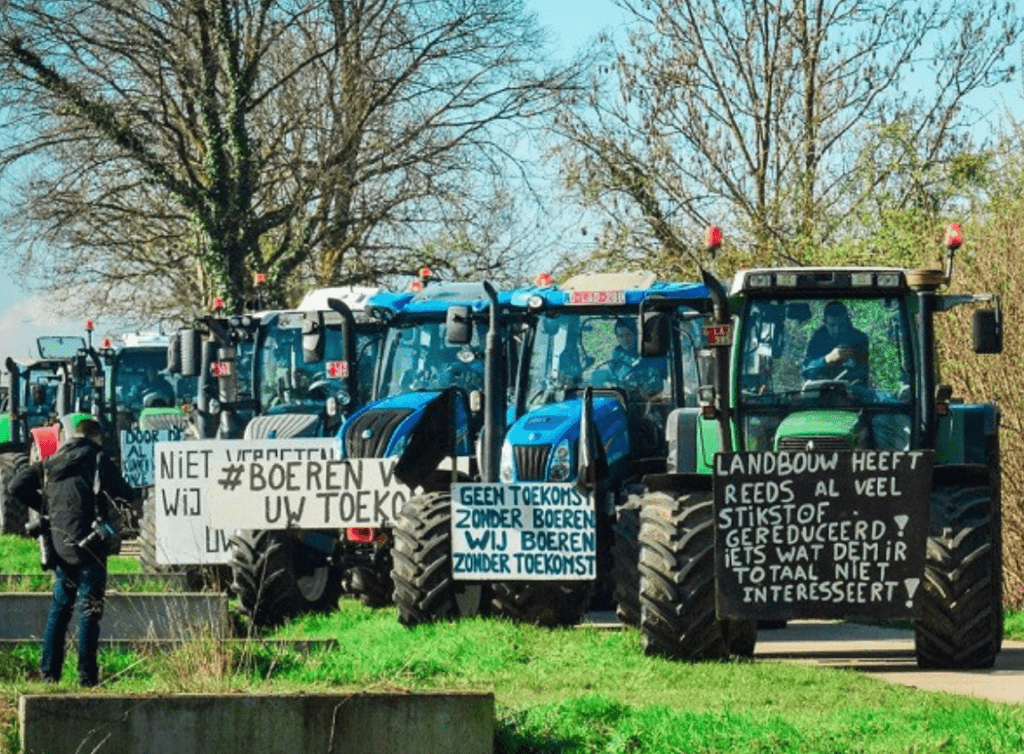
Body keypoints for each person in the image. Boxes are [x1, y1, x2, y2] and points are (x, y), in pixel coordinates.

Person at [7, 418, 135, 686]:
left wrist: (47, 507)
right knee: (89, 610)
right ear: (96, 437)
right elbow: (125, 494)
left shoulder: (50, 464)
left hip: (61, 547)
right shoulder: (98, 459)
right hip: (93, 548)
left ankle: (48, 674)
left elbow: (15, 485)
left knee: (60, 609)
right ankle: (87, 677)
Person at [801, 300, 870, 383]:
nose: (837, 330)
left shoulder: (859, 338)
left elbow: (863, 374)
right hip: (821, 391)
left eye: (841, 325)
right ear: (825, 323)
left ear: (847, 322)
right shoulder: (818, 338)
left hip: (851, 391)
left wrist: (851, 360)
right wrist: (826, 360)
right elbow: (806, 371)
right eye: (832, 325)